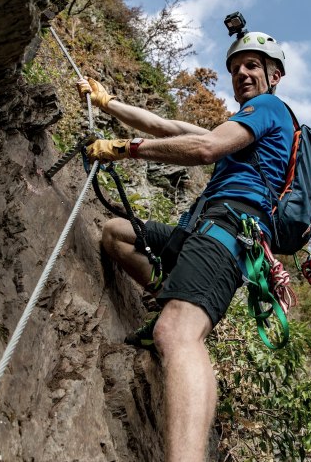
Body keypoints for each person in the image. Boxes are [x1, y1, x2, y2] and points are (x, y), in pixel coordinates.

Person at [77, 31, 293, 462]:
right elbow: (169, 127)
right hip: (198, 231)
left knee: (176, 332)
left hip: (229, 230)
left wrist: (124, 149)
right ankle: (170, 289)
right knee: (116, 233)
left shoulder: (269, 109)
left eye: (252, 66)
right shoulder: (245, 130)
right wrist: (108, 104)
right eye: (235, 69)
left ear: (275, 74)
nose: (241, 74)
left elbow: (204, 147)